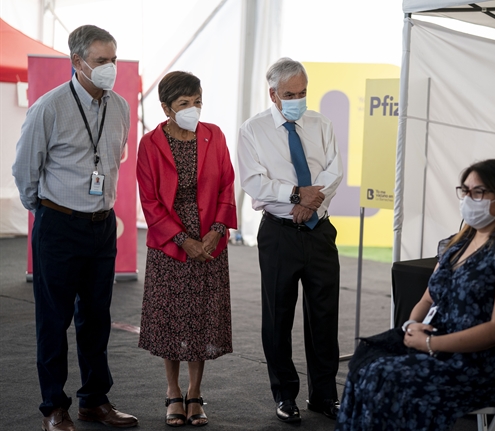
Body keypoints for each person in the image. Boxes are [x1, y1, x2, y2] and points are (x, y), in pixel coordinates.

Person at [336, 159, 495, 431]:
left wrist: (431, 344)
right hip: (437, 344)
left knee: (385, 376)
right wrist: (412, 325)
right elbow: (427, 299)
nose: (468, 198)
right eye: (465, 190)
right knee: (365, 360)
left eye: (478, 192)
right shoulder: (457, 243)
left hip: (476, 362)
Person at [11, 25, 137, 431]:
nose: (110, 67)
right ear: (77, 61)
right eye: (101, 61)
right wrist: (46, 210)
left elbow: (116, 157)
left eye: (113, 59)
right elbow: (25, 170)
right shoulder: (49, 107)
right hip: (59, 225)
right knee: (54, 319)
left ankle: (94, 401)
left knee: (97, 318)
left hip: (102, 227)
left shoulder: (121, 106)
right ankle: (53, 406)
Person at [237, 57, 343, 424]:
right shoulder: (252, 130)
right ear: (273, 94)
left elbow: (334, 170)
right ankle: (285, 395)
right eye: (290, 94)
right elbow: (254, 181)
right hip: (279, 233)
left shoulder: (321, 124)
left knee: (325, 316)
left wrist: (310, 202)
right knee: (278, 316)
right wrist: (297, 195)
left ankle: (325, 396)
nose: (298, 100)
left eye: (302, 93)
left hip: (319, 231)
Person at [136, 71, 237, 427]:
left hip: (210, 242)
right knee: (172, 321)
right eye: (184, 104)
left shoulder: (214, 135)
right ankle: (173, 392)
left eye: (197, 102)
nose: (193, 109)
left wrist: (217, 231)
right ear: (166, 108)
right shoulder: (150, 144)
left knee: (202, 319)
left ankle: (195, 393)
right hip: (170, 246)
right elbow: (150, 202)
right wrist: (183, 239)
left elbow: (227, 185)